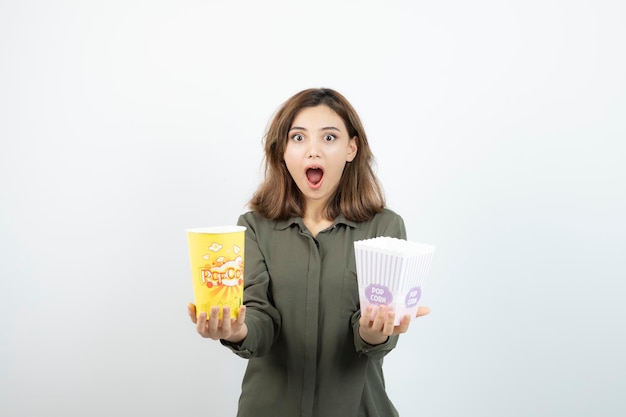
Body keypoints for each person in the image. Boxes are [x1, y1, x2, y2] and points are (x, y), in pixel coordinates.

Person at [187, 87, 430, 417]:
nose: (313, 151)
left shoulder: (384, 228)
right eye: (298, 138)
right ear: (283, 151)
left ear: (351, 148)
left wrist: (372, 333)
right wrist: (236, 331)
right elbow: (260, 318)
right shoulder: (253, 227)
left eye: (329, 138)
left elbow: (374, 327)